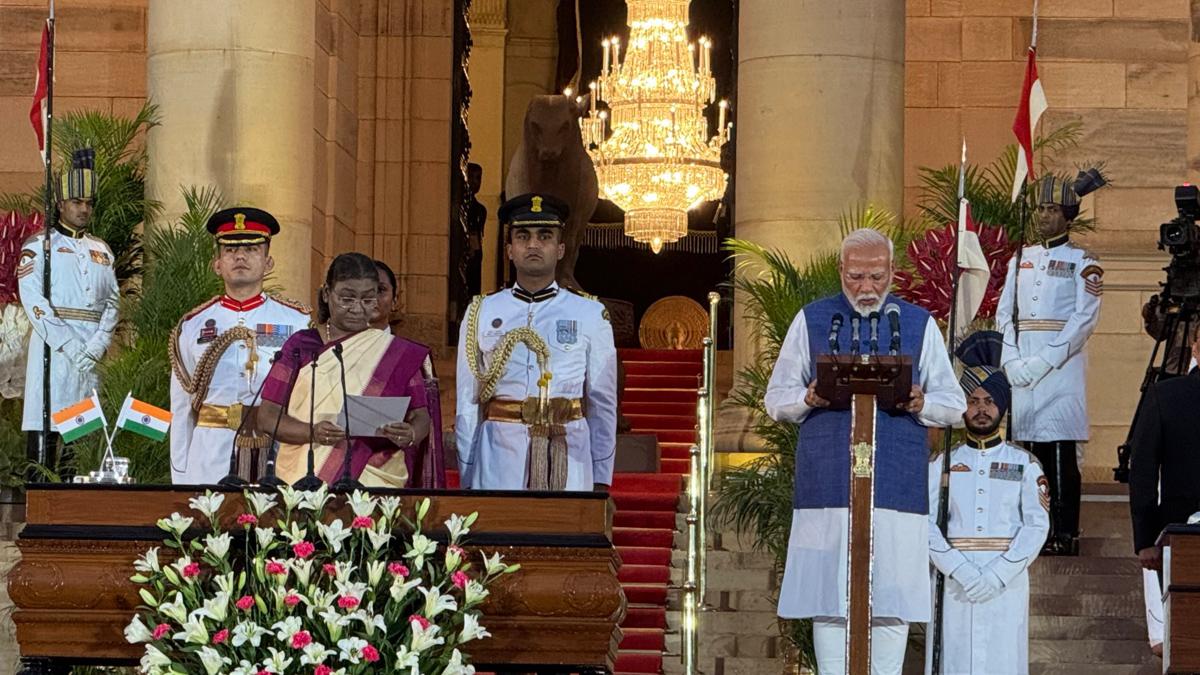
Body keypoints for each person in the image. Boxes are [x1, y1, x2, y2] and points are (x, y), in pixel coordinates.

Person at [764, 228, 965, 675]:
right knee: (829, 595)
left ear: (892, 271)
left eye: (876, 276)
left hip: (895, 486)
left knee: (892, 596)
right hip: (829, 485)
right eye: (855, 277)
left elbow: (955, 405)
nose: (866, 287)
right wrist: (807, 398)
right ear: (841, 270)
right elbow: (775, 399)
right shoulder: (813, 319)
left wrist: (922, 403)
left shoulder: (917, 323)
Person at [455, 193, 617, 491]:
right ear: (510, 250)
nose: (533, 244)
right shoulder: (482, 311)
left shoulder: (589, 313)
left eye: (544, 236)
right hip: (499, 454)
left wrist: (601, 478)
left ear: (560, 249)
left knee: (563, 523)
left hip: (568, 450)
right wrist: (467, 471)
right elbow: (468, 400)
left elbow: (602, 403)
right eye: (523, 236)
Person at [926, 331, 1050, 675]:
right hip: (954, 579)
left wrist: (999, 574)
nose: (981, 409)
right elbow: (925, 521)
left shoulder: (1025, 464)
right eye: (973, 400)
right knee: (953, 658)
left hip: (1006, 580)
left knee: (1003, 658)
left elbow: (1036, 525)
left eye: (989, 401)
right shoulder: (942, 463)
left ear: (1002, 406)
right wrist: (957, 567)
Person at [996, 171, 1106, 556]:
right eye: (1040, 208)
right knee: (1027, 449)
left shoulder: (1083, 262)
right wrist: (1010, 359)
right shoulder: (1020, 259)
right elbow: (1004, 314)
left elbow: (1084, 319)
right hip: (1021, 364)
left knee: (1059, 449)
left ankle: (1064, 531)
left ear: (1067, 215)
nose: (1043, 216)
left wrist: (1044, 361)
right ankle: (1033, 529)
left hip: (1061, 370)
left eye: (1052, 209)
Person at [257, 253, 434, 487]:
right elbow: (268, 417)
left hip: (375, 477)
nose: (357, 308)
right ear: (326, 293)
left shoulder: (395, 352)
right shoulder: (301, 346)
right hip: (306, 475)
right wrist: (313, 432)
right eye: (347, 299)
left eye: (368, 299)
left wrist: (409, 433)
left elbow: (421, 416)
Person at [168, 207, 310, 484]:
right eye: (230, 250)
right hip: (211, 453)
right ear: (217, 264)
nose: (240, 256)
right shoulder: (193, 326)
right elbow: (182, 406)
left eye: (251, 249)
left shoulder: (297, 323)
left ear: (268, 262)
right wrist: (182, 475)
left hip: (277, 448)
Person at [18, 148, 119, 468]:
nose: (84, 209)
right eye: (77, 202)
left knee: (82, 438)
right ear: (61, 204)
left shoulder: (101, 250)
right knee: (46, 431)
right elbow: (33, 301)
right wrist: (70, 344)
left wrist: (99, 343)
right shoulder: (39, 246)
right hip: (53, 351)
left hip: (92, 353)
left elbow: (114, 302)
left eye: (89, 203)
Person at [1128, 327, 1200, 577]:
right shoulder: (1165, 396)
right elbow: (1142, 469)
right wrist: (1146, 539)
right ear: (1195, 349)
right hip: (1181, 532)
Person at [369, 258, 446, 487]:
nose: (372, 298)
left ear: (395, 300)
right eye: (364, 292)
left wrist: (410, 432)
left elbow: (424, 419)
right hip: (341, 464)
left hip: (396, 468)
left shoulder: (412, 356)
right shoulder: (333, 352)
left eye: (380, 290)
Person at [466, 163, 486, 297]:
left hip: (475, 254)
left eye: (478, 178)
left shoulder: (481, 210)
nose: (475, 182)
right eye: (471, 177)